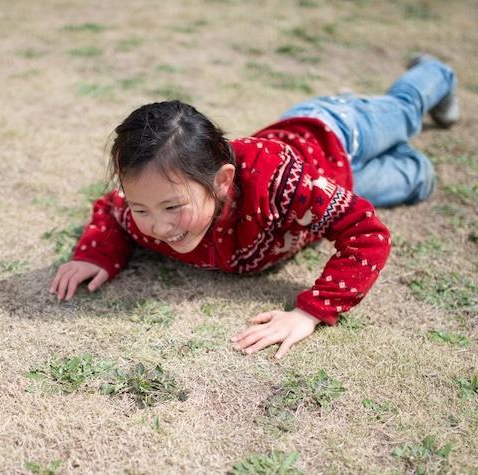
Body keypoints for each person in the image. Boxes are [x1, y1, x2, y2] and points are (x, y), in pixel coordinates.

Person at [48, 55, 459, 359]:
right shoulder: (142, 214)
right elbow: (111, 210)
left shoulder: (279, 186)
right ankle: (412, 163)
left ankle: (434, 72)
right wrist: (96, 254)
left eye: (173, 207)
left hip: (336, 128)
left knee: (406, 112)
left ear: (222, 181)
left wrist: (310, 312)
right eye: (142, 209)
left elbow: (366, 233)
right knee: (418, 180)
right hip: (339, 179)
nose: (157, 225)